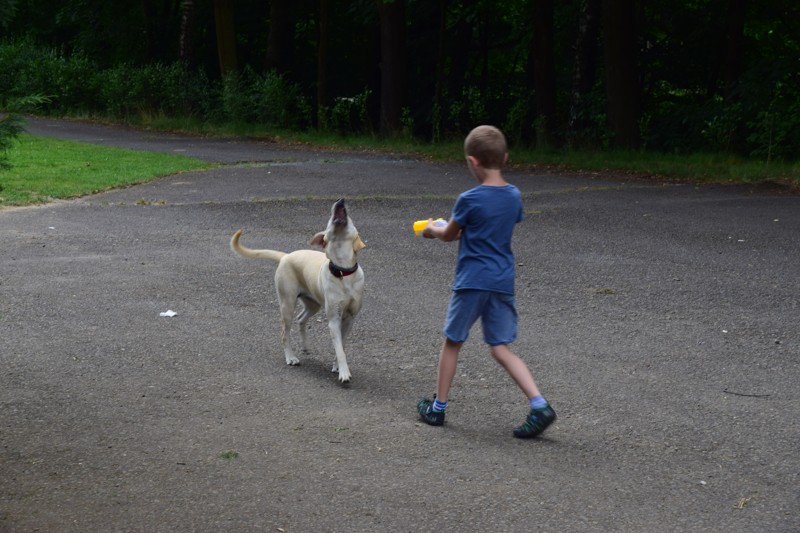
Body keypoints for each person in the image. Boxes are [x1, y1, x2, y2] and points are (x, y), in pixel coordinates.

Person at [416, 125, 556, 438]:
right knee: (501, 347)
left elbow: (450, 235)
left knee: (453, 341)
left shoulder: (469, 198)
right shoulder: (514, 196)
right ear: (504, 157)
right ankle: (539, 404)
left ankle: (437, 409)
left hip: (472, 281)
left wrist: (432, 228)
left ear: (472, 162)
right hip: (502, 280)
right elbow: (494, 227)